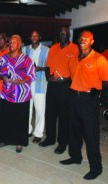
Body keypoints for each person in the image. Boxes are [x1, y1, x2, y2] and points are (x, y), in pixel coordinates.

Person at [60, 31, 108, 180]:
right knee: (73, 130)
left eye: (87, 39)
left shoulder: (99, 59)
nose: (83, 40)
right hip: (73, 98)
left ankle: (96, 167)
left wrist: (97, 92)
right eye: (81, 38)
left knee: (90, 135)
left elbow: (107, 80)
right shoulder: (74, 59)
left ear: (92, 41)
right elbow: (73, 77)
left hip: (89, 100)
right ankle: (75, 157)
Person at [39, 26, 79, 154]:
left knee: (64, 116)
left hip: (65, 86)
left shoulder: (74, 49)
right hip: (52, 85)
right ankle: (50, 138)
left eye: (65, 33)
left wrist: (65, 80)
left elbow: (76, 72)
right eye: (60, 33)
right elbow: (48, 66)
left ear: (69, 35)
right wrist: (48, 77)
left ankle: (62, 142)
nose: (62, 35)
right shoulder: (54, 48)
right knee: (50, 113)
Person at [0, 35, 36, 153]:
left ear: (19, 45)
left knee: (20, 119)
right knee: (6, 117)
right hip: (7, 93)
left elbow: (32, 74)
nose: (12, 44)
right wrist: (3, 77)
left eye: (14, 42)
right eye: (10, 42)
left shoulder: (26, 59)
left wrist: (22, 81)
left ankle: (19, 142)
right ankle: (5, 139)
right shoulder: (4, 58)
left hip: (21, 94)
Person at [22, 30, 49, 144]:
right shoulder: (25, 49)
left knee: (39, 110)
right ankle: (27, 130)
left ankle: (38, 133)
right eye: (32, 35)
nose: (34, 37)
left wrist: (40, 68)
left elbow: (49, 67)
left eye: (36, 35)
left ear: (40, 37)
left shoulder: (46, 50)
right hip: (27, 84)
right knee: (27, 109)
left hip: (40, 84)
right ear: (30, 37)